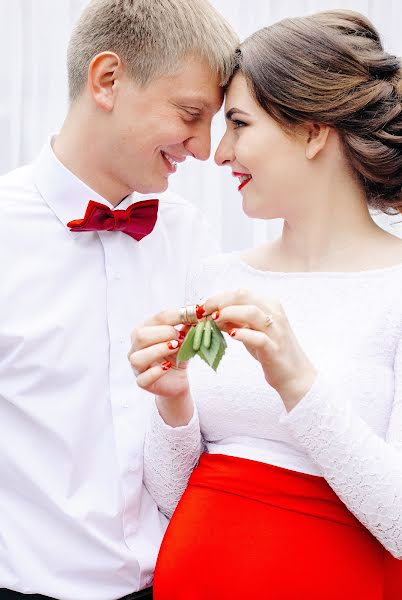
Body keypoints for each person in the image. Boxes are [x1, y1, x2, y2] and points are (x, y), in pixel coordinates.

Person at [128, 10, 402, 599]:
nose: (219, 153)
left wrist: (297, 381)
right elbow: (172, 497)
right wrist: (172, 402)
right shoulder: (215, 278)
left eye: (239, 123)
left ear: (311, 132)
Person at [0, 1, 238, 598]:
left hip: (174, 582)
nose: (205, 149)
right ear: (107, 80)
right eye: (191, 113)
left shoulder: (190, 236)